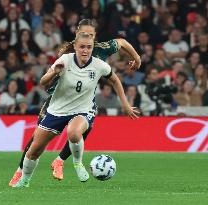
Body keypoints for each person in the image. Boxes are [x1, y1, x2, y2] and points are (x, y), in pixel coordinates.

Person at [9, 19, 141, 186]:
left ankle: (66, 161)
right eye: (83, 38)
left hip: (83, 103)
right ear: (77, 35)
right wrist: (53, 73)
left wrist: (137, 58)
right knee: (36, 142)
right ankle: (21, 173)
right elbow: (44, 81)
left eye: (91, 38)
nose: (86, 46)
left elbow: (121, 43)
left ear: (94, 38)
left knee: (77, 130)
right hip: (56, 102)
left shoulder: (100, 53)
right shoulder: (68, 55)